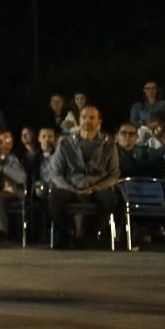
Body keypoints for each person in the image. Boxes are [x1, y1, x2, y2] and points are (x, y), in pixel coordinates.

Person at [45, 105, 121, 247]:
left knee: (110, 199)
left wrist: (96, 188)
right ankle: (67, 233)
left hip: (97, 187)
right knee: (54, 197)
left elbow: (114, 174)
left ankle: (91, 235)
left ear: (99, 121)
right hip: (71, 186)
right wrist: (70, 188)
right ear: (79, 120)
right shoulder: (66, 143)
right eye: (84, 117)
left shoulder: (108, 145)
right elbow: (56, 173)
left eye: (92, 118)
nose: (87, 121)